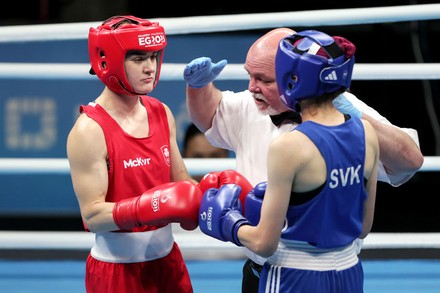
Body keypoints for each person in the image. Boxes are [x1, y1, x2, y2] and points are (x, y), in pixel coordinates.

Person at [183, 28, 424, 293]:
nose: (252, 87)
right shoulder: (364, 132)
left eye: (263, 79)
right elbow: (363, 227)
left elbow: (265, 242)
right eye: (249, 76)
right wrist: (198, 87)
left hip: (286, 272)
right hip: (347, 271)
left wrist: (228, 223)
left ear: (292, 78)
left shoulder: (291, 145)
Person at [67, 15, 202, 292]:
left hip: (169, 262)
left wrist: (207, 196)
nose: (150, 68)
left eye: (154, 57)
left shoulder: (161, 112)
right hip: (116, 272)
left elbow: (181, 181)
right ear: (110, 60)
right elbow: (92, 216)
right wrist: (148, 207)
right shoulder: (89, 130)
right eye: (138, 59)